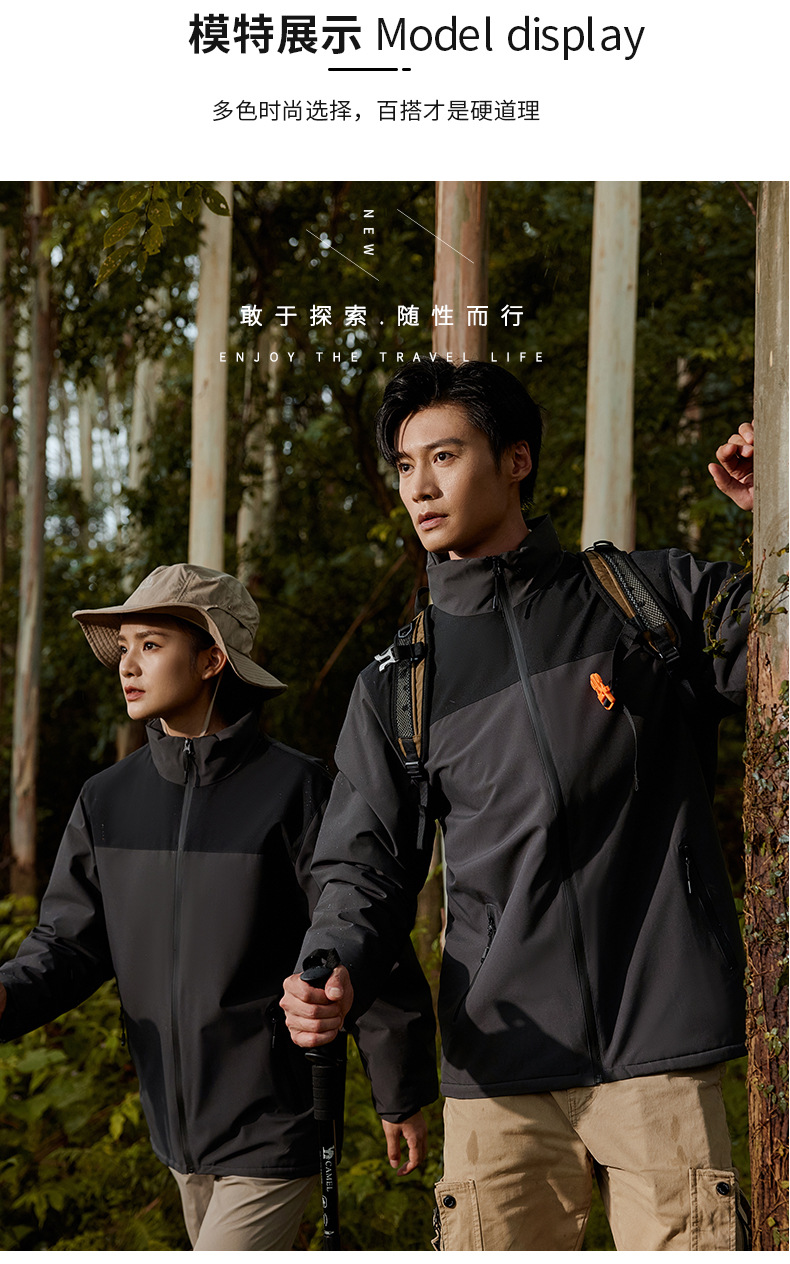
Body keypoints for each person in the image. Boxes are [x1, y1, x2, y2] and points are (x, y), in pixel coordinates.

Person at [280, 357, 755, 1251]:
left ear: (516, 460)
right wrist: (333, 961)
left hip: (660, 1050)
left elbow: (774, 646)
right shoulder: (398, 683)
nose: (420, 488)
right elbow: (362, 869)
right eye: (405, 466)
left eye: (445, 456)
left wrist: (776, 514)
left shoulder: (642, 600)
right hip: (497, 1069)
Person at [0, 563, 437, 1250]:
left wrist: (400, 1087)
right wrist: (7, 997)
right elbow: (67, 943)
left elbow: (359, 932)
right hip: (176, 1137)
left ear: (211, 661)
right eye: (125, 647)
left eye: (151, 645)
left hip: (274, 1125)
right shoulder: (106, 799)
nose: (127, 665)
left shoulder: (294, 789)